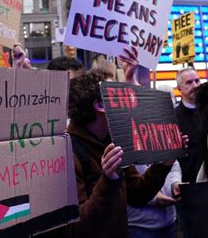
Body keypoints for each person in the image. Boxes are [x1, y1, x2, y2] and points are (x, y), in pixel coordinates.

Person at [66, 56, 176, 237]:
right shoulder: (69, 152)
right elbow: (75, 227)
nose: (124, 96)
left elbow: (138, 194)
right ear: (100, 105)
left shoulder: (113, 140)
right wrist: (107, 180)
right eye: (116, 92)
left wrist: (164, 162)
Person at [127, 162, 182, 238]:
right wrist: (154, 199)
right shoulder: (126, 151)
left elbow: (173, 163)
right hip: (140, 227)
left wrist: (175, 183)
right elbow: (127, 183)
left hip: (171, 221)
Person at [174, 67, 202, 183]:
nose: (195, 86)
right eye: (189, 82)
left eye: (197, 81)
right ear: (179, 88)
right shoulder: (173, 117)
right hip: (188, 181)